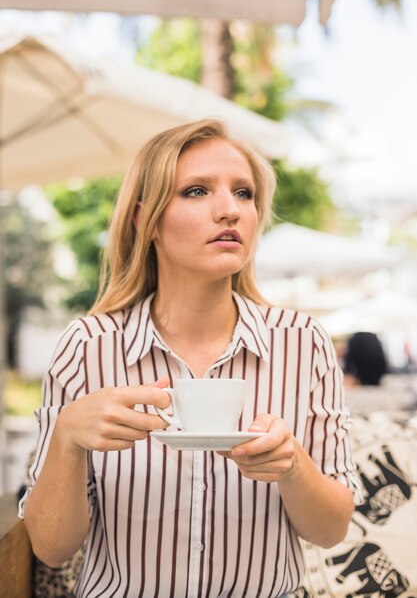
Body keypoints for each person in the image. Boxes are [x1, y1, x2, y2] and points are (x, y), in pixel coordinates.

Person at [19, 119, 362, 598]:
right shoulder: (86, 346)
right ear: (146, 220)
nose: (230, 211)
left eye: (244, 193)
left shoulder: (303, 342)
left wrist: (292, 467)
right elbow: (52, 549)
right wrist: (68, 438)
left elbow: (331, 530)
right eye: (197, 191)